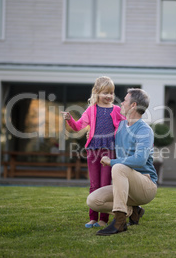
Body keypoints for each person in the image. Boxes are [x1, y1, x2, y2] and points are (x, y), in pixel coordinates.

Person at [87, 88, 158, 236]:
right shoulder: (120, 127)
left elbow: (140, 159)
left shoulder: (145, 130)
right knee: (93, 200)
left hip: (146, 185)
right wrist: (91, 133)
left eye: (125, 100)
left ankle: (119, 221)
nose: (122, 103)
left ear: (133, 105)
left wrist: (112, 162)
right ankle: (132, 211)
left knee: (119, 166)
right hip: (125, 186)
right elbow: (102, 132)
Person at [61, 76, 125, 228]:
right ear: (97, 92)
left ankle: (103, 219)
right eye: (105, 93)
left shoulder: (116, 110)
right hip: (93, 151)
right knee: (94, 184)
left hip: (109, 151)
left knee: (105, 184)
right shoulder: (91, 110)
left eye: (111, 93)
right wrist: (70, 119)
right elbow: (77, 127)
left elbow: (125, 128)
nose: (109, 96)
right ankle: (93, 218)